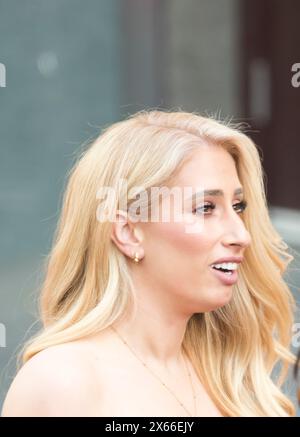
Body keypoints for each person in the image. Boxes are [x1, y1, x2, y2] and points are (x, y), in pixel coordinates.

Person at [1, 110, 297, 417]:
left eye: (238, 206)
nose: (241, 234)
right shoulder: (63, 382)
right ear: (128, 233)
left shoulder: (233, 376)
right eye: (206, 208)